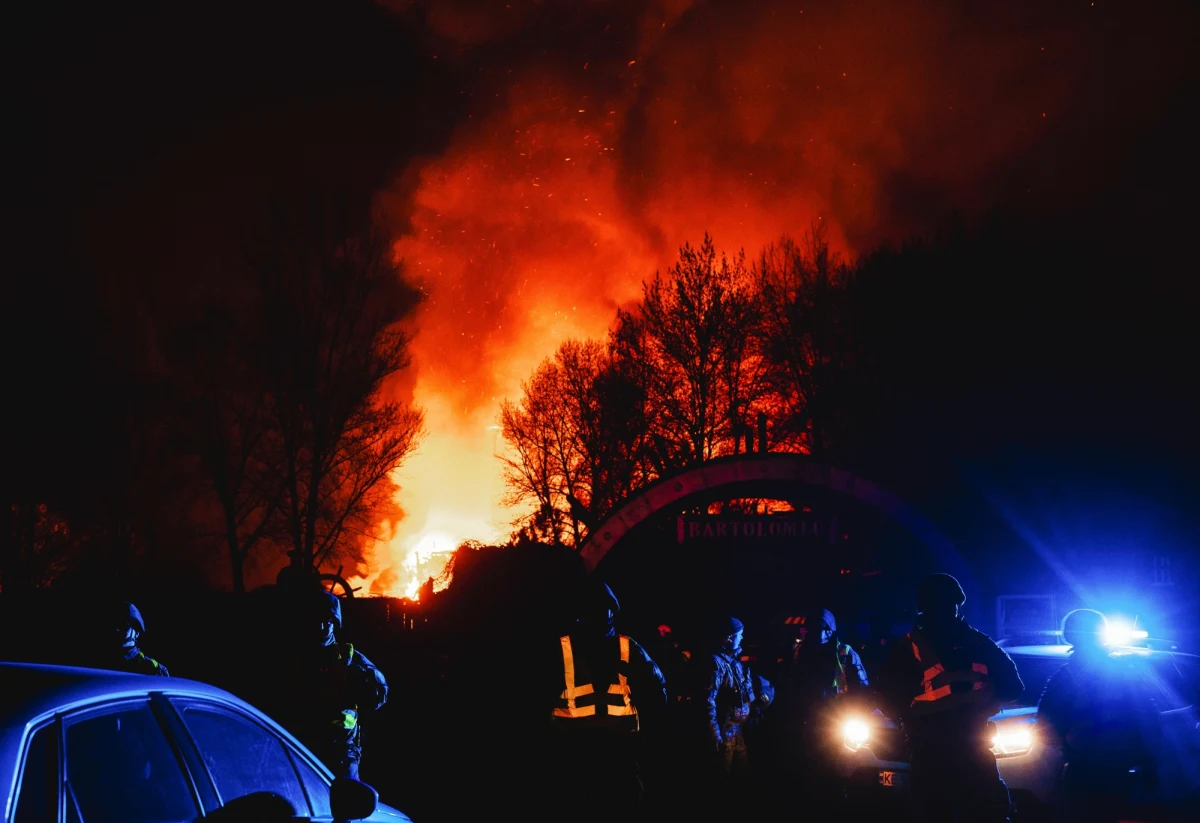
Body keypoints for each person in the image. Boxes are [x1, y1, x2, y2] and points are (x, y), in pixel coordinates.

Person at [881, 573, 1023, 823]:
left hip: (929, 755)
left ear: (922, 606)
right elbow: (1014, 688)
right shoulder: (980, 643)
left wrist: (913, 714)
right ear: (958, 605)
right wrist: (985, 699)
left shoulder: (906, 648)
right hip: (973, 752)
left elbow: (886, 702)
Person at [542, 580, 667, 823]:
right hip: (609, 748)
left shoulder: (561, 647)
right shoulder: (628, 646)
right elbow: (656, 691)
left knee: (582, 805)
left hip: (578, 747)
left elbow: (538, 693)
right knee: (619, 805)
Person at [1038, 609, 1160, 823]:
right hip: (1118, 763)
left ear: (1070, 635)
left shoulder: (1065, 676)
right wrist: (1148, 761)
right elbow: (1146, 716)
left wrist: (1065, 746)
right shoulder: (1123, 671)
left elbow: (1046, 722)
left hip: (1083, 762)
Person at [276, 590, 388, 780]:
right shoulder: (291, 658)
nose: (320, 626)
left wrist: (359, 680)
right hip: (297, 750)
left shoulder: (349, 658)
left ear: (334, 624)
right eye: (314, 619)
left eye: (326, 620)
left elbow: (379, 695)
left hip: (340, 756)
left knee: (349, 805)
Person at [771, 607, 868, 808]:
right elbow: (789, 684)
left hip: (837, 723)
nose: (815, 633)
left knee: (835, 773)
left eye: (820, 628)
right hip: (806, 723)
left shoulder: (844, 653)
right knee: (806, 774)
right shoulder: (799, 653)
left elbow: (862, 687)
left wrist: (856, 713)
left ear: (830, 630)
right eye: (811, 628)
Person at [694, 616, 772, 819]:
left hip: (738, 732)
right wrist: (714, 734)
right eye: (740, 634)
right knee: (722, 783)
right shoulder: (715, 663)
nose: (743, 637)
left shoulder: (734, 662)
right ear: (729, 638)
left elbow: (744, 694)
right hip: (725, 731)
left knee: (741, 780)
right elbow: (707, 701)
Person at [95, 601, 170, 676]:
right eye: (115, 625)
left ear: (137, 633)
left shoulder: (153, 669)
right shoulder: (100, 662)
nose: (117, 630)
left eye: (123, 625)